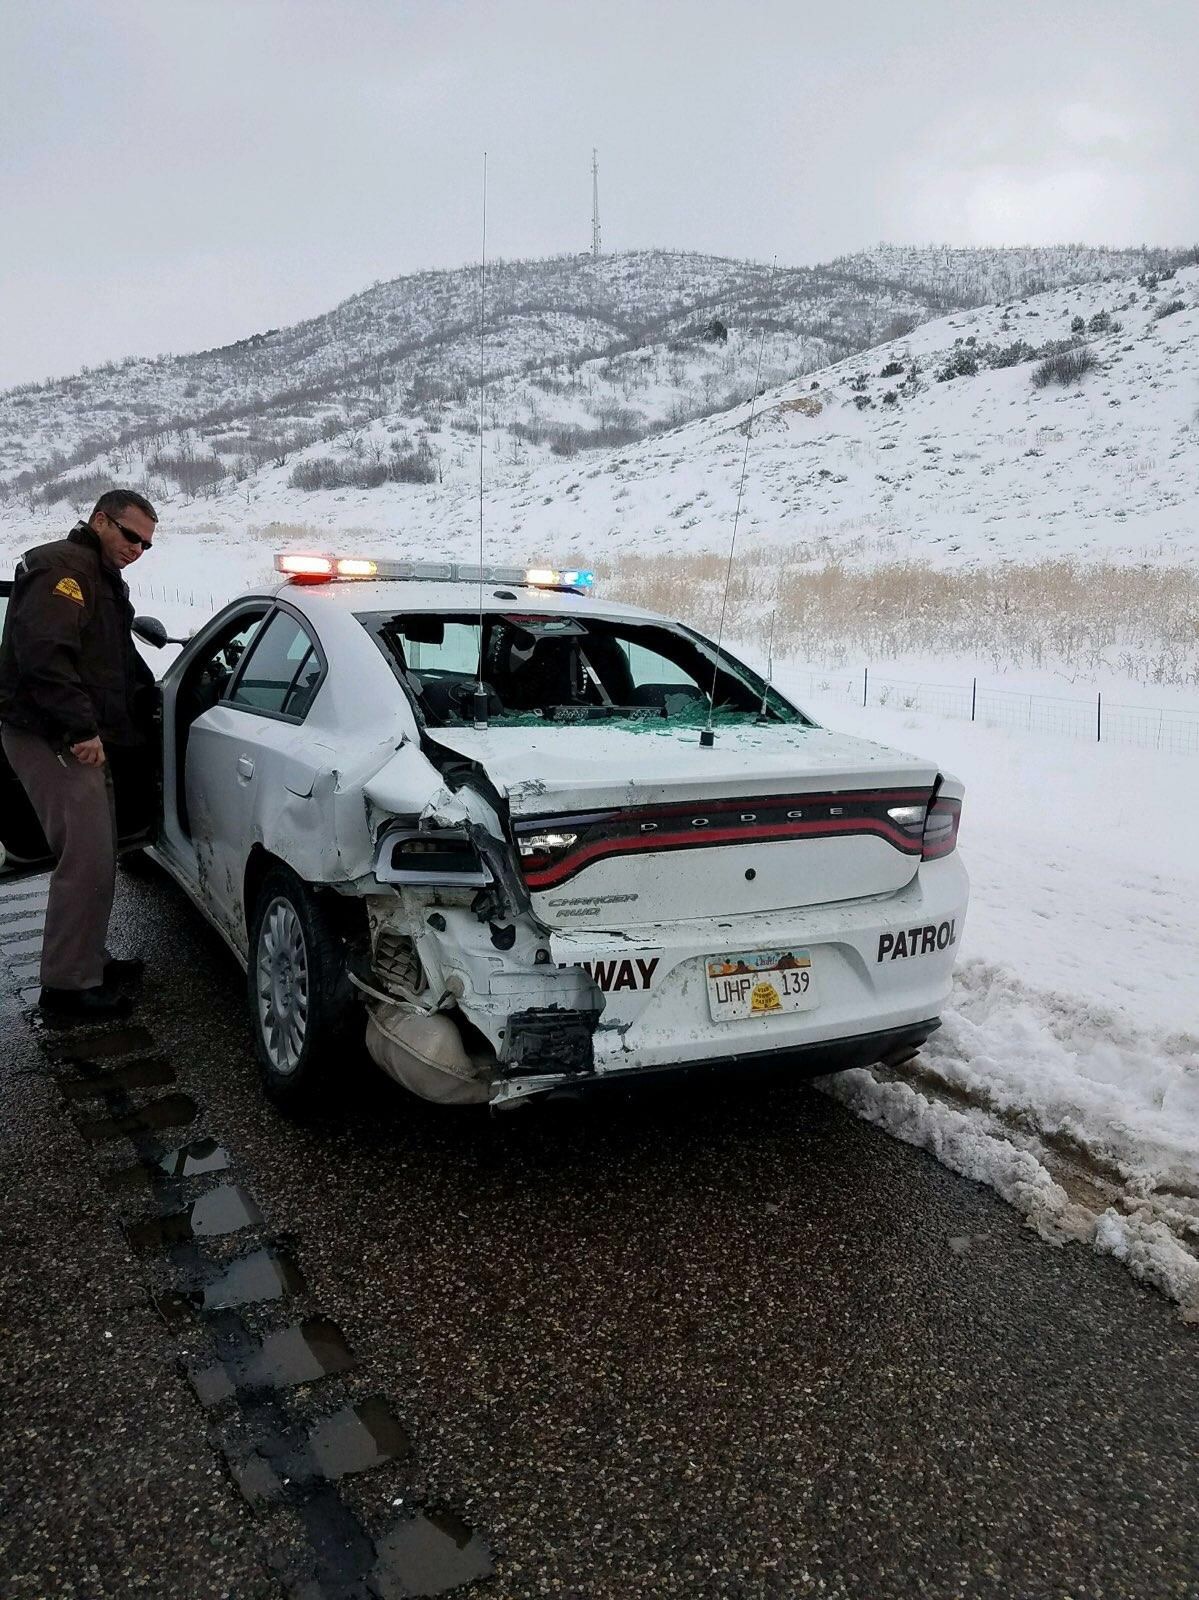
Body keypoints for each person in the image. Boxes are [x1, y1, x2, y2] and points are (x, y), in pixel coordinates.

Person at [0, 489, 158, 1021]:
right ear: (99, 520)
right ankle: (68, 989)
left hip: (79, 735)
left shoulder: (100, 576)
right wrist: (79, 729)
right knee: (85, 859)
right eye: (130, 535)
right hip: (53, 736)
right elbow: (45, 655)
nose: (137, 548)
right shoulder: (62, 570)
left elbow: (113, 661)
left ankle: (87, 960)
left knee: (98, 856)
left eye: (146, 544)